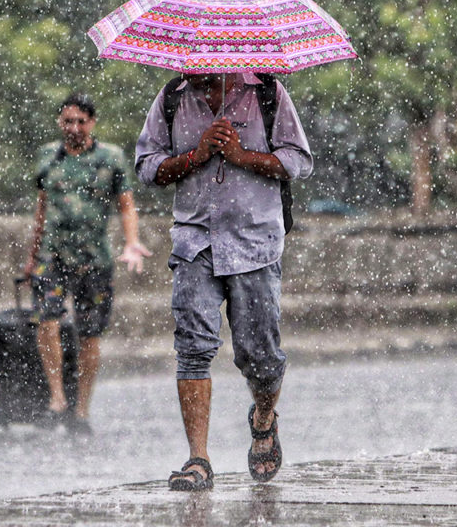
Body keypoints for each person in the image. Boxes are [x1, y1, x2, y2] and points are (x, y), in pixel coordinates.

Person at [134, 73, 312, 490]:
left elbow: (298, 161)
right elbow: (147, 167)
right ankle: (198, 459)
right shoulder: (172, 97)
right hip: (195, 242)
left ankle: (263, 418)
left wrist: (241, 155)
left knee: (260, 357)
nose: (194, 67)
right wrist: (195, 156)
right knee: (192, 348)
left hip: (255, 243)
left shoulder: (267, 92)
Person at [24, 92, 152, 436]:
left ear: (92, 123)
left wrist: (131, 241)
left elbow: (126, 204)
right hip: (52, 255)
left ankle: (81, 409)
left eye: (81, 121)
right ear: (59, 122)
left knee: (90, 334)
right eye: (68, 121)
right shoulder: (48, 156)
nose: (75, 128)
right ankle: (57, 399)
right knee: (46, 320)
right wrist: (32, 255)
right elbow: (42, 205)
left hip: (94, 259)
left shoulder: (110, 158)